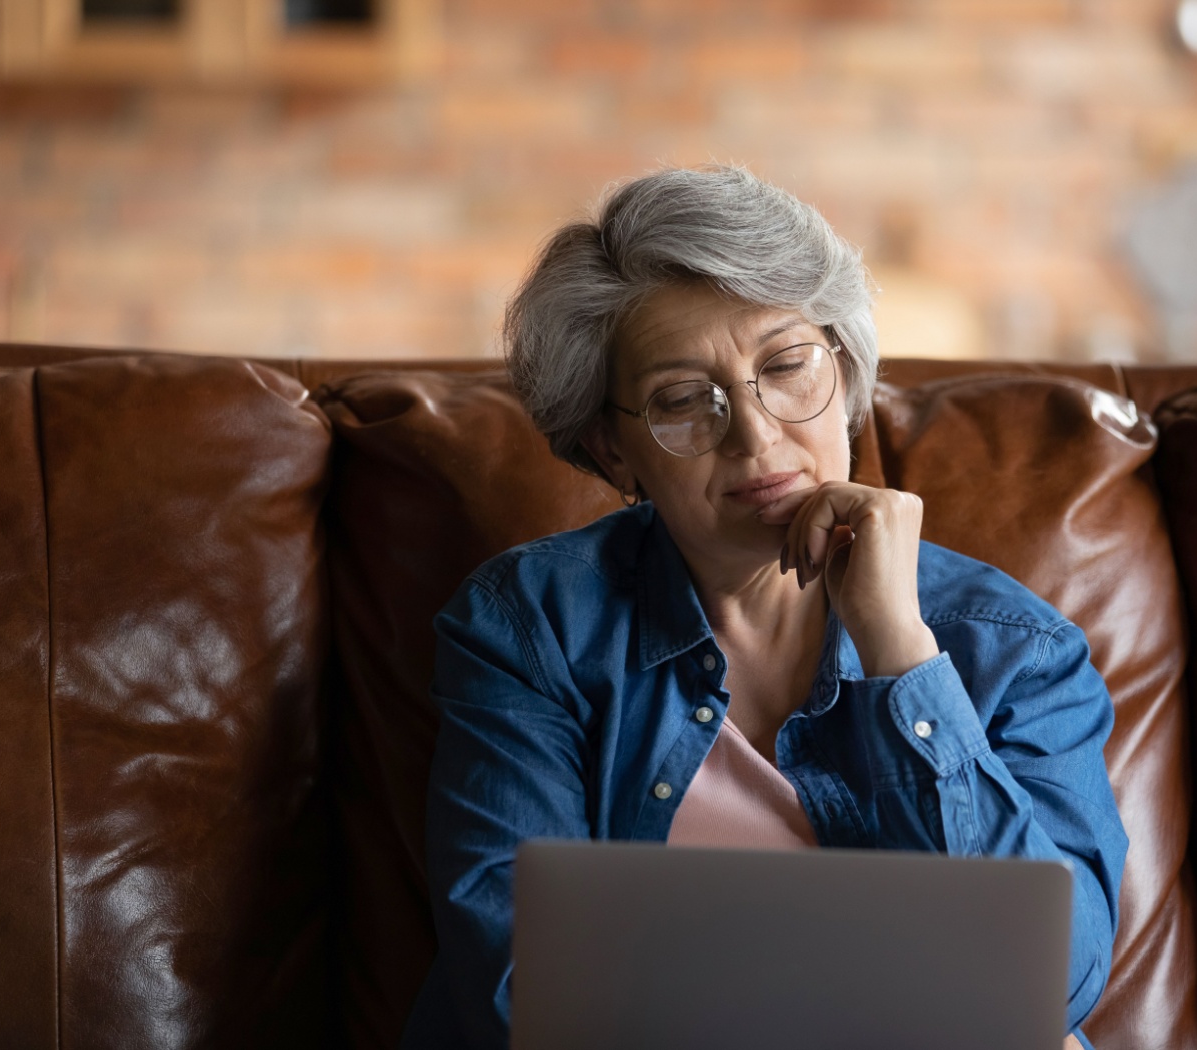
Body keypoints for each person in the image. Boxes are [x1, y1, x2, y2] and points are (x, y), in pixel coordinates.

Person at [401, 166, 1127, 1050]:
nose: (757, 436)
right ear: (612, 448)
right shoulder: (530, 627)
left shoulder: (1013, 647)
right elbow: (518, 981)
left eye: (785, 367)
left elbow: (1058, 986)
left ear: (846, 370)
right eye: (682, 401)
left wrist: (902, 655)